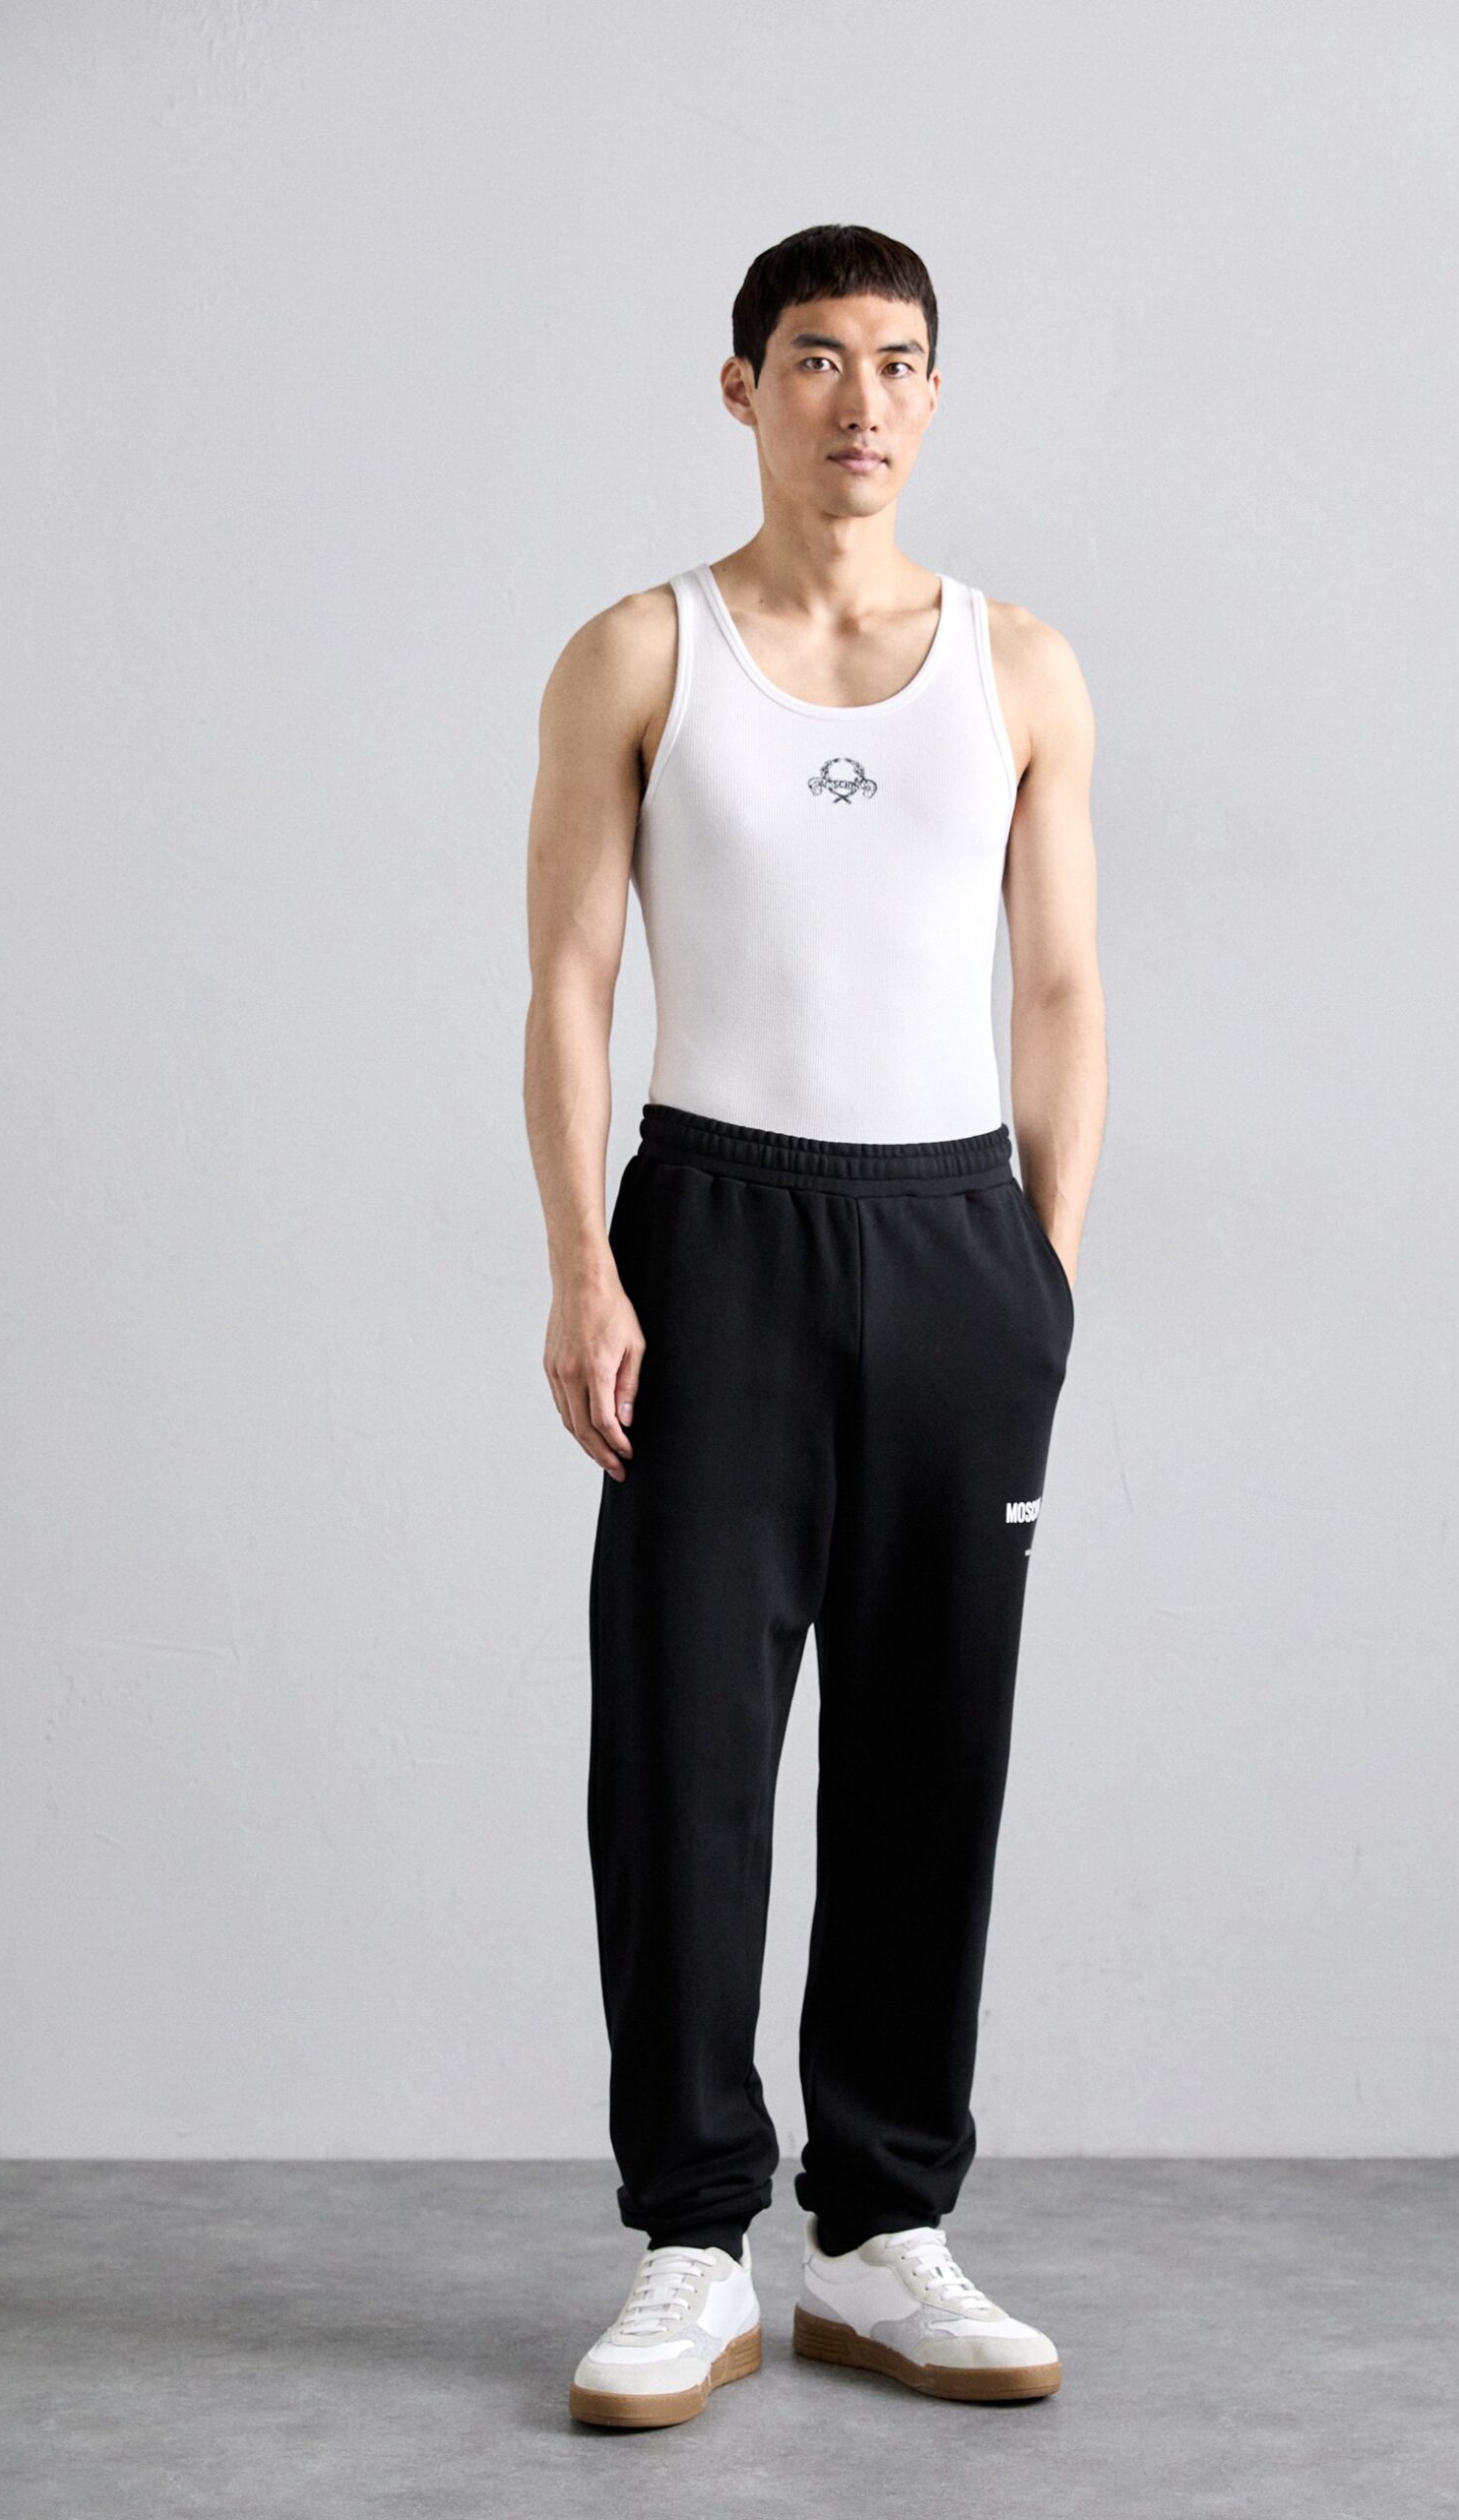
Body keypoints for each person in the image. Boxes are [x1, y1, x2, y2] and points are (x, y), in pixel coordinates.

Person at [524, 222, 1106, 2428]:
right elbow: (568, 981)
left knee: (933, 1747)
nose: (859, 401)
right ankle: (692, 2240)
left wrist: (1043, 1268)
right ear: (741, 388)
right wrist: (584, 1261)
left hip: (956, 1240)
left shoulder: (1021, 665)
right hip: (713, 1231)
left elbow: (1061, 986)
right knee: (681, 1748)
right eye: (812, 360)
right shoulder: (636, 652)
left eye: (896, 361)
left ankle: (877, 2234)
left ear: (933, 393)